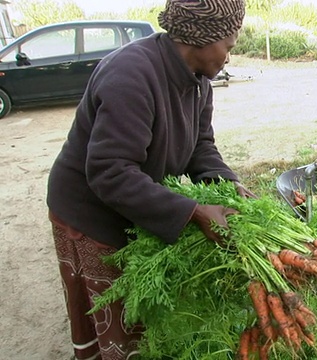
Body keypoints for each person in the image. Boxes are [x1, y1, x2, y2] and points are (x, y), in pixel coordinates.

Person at [46, 0, 250, 359]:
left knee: (138, 319)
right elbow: (110, 171)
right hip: (88, 211)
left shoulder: (200, 80)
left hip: (131, 199)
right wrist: (194, 212)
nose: (229, 57)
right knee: (113, 315)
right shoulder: (132, 74)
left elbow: (200, 145)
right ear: (202, 38)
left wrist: (228, 183)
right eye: (229, 46)